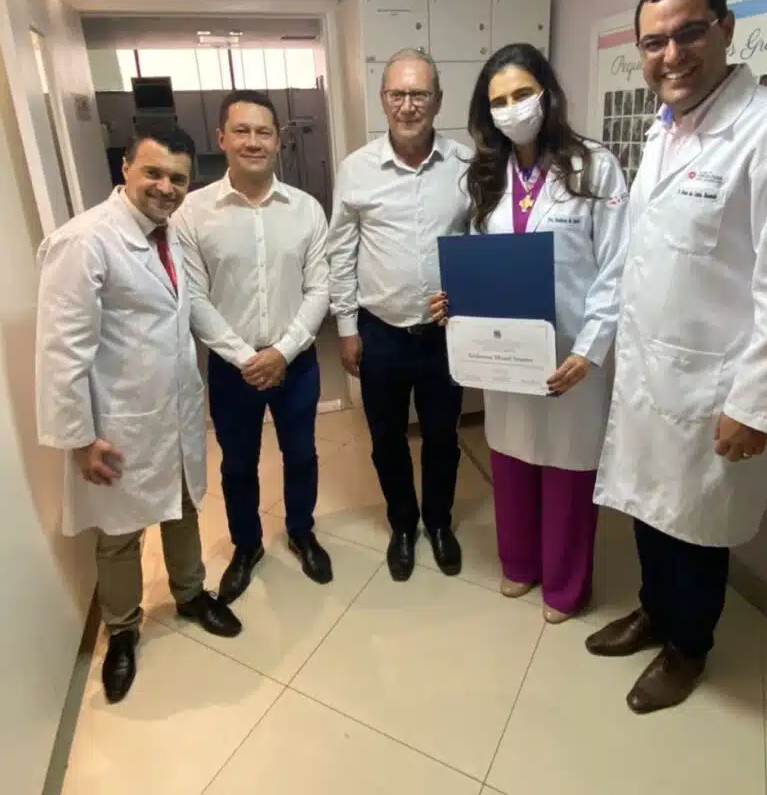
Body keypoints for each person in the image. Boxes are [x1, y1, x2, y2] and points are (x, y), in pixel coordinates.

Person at [587, 0, 767, 714]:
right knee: (650, 509)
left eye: (688, 32)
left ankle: (688, 647)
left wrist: (757, 404)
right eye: (653, 42)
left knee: (696, 528)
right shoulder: (665, 128)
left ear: (725, 28)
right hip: (650, 370)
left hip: (716, 383)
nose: (671, 54)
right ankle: (654, 612)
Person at [36, 123, 242, 705]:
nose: (166, 187)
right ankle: (123, 630)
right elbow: (62, 350)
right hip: (118, 423)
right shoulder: (85, 241)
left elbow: (186, 311)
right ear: (125, 168)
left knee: (183, 507)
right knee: (120, 533)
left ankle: (191, 594)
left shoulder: (167, 234)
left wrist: (241, 355)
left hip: (172, 410)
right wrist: (80, 438)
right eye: (153, 172)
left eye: (178, 178)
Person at [430, 43, 630, 622]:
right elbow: (479, 257)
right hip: (507, 351)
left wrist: (590, 351)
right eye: (499, 101)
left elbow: (617, 266)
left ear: (547, 93)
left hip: (572, 352)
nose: (512, 108)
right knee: (512, 457)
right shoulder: (487, 174)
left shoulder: (594, 166)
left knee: (568, 466)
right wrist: (456, 301)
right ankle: (519, 563)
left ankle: (565, 586)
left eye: (522, 94)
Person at [173, 90, 331, 603]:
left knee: (301, 454)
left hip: (296, 362)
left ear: (278, 140)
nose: (253, 141)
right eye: (241, 130)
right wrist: (246, 358)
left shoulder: (306, 210)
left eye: (264, 132)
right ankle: (247, 546)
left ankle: (302, 531)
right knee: (237, 464)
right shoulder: (192, 213)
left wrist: (283, 351)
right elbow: (193, 297)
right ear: (221, 138)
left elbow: (320, 288)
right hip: (231, 367)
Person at [327, 49, 472, 581]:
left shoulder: (465, 165)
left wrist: (470, 298)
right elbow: (341, 251)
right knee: (387, 439)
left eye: (419, 94)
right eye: (397, 94)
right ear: (383, 99)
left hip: (443, 335)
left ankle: (439, 522)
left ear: (438, 100)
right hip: (380, 332)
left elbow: (479, 242)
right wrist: (346, 328)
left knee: (442, 437)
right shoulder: (357, 169)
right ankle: (403, 526)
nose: (408, 105)